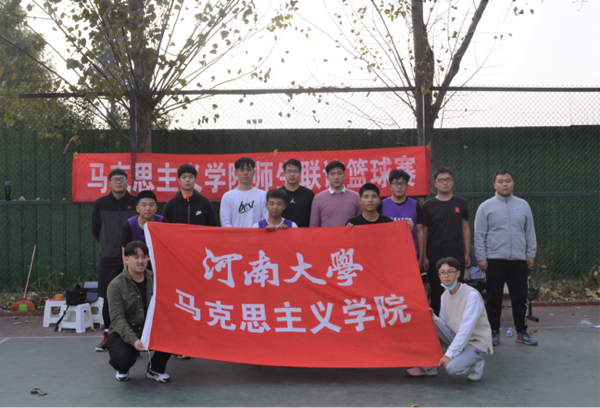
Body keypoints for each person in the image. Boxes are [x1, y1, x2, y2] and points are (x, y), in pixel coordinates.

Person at [474, 170, 538, 346]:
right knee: (494, 298)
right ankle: (493, 332)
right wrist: (481, 257)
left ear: (513, 183)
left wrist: (530, 253)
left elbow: (530, 231)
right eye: (500, 181)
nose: (504, 184)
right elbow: (479, 234)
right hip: (494, 260)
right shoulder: (486, 207)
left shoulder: (523, 205)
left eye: (508, 181)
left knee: (520, 298)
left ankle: (522, 332)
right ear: (494, 185)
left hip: (519, 260)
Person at [406, 257, 493, 382]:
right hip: (458, 337)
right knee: (429, 322)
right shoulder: (444, 295)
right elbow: (444, 325)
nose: (446, 276)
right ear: (439, 275)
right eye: (442, 273)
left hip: (476, 343)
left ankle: (475, 362)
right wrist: (431, 317)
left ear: (458, 273)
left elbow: (466, 329)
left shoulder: (471, 295)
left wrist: (449, 355)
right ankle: (429, 366)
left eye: (450, 272)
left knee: (452, 369)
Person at [107, 241, 171, 383]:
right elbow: (117, 319)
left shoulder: (156, 279)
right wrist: (133, 340)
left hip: (151, 330)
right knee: (122, 360)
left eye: (144, 257)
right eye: (136, 257)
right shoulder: (116, 285)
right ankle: (123, 368)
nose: (141, 261)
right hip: (125, 332)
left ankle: (155, 369)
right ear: (126, 259)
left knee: (174, 331)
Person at [91, 168, 138, 352]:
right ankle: (108, 336)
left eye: (122, 179)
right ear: (109, 183)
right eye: (115, 179)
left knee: (134, 298)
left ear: (127, 182)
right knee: (109, 298)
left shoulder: (135, 202)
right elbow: (96, 229)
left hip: (132, 259)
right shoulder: (101, 203)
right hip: (108, 259)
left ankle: (133, 338)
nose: (119, 182)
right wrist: (108, 244)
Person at [422, 167, 471, 315]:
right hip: (434, 255)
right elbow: (423, 232)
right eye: (441, 180)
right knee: (436, 293)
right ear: (435, 184)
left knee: (457, 292)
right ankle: (437, 325)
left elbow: (465, 229)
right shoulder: (428, 205)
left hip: (456, 253)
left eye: (448, 180)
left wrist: (467, 253)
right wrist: (424, 256)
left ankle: (457, 323)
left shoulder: (461, 203)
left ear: (453, 182)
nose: (445, 183)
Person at [378, 169, 424, 266]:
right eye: (396, 183)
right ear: (390, 186)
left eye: (402, 184)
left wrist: (421, 257)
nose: (399, 187)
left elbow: (420, 232)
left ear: (407, 186)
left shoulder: (415, 205)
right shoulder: (382, 205)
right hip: (388, 254)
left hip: (410, 254)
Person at [309, 160, 362, 227]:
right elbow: (314, 226)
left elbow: (361, 223)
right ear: (327, 177)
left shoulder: (355, 197)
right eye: (332, 174)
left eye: (339, 173)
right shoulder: (318, 198)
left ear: (344, 176)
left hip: (349, 234)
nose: (336, 177)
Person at [121, 190, 164, 270]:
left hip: (159, 268)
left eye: (151, 205)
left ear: (156, 208)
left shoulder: (163, 222)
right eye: (144, 205)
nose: (148, 208)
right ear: (137, 208)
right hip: (136, 269)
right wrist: (128, 273)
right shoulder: (129, 225)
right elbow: (125, 252)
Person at [220, 157, 268, 228]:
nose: (245, 173)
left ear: (254, 172)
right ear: (236, 173)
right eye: (242, 170)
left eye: (248, 170)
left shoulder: (263, 195)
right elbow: (225, 222)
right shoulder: (227, 196)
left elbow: (266, 220)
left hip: (257, 235)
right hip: (235, 235)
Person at [278, 159, 315, 227]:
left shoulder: (309, 194)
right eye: (289, 171)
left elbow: (313, 218)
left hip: (303, 232)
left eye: (295, 171)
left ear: (300, 173)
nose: (292, 174)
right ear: (284, 173)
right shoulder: (278, 194)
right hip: (282, 232)